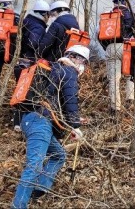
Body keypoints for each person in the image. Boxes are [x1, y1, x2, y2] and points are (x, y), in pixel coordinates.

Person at [11, 45, 89, 209]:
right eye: (85, 62)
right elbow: (70, 101)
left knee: (58, 155)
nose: (84, 67)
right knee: (34, 166)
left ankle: (39, 189)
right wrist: (75, 126)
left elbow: (55, 101)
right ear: (76, 58)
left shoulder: (55, 69)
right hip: (40, 122)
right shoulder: (69, 72)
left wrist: (74, 120)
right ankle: (18, 206)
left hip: (31, 119)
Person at [11, 0, 50, 129]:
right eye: (47, 15)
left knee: (19, 91)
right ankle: (21, 123)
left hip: (19, 61)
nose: (48, 18)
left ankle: (16, 120)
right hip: (28, 63)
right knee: (27, 94)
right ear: (43, 14)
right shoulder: (38, 26)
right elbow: (33, 43)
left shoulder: (26, 22)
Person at [101, 0, 135, 116]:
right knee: (129, 74)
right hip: (126, 47)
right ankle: (130, 99)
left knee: (114, 79)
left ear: (114, 3)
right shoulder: (132, 14)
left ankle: (115, 108)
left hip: (111, 48)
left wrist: (108, 47)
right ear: (125, 2)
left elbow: (99, 35)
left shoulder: (108, 16)